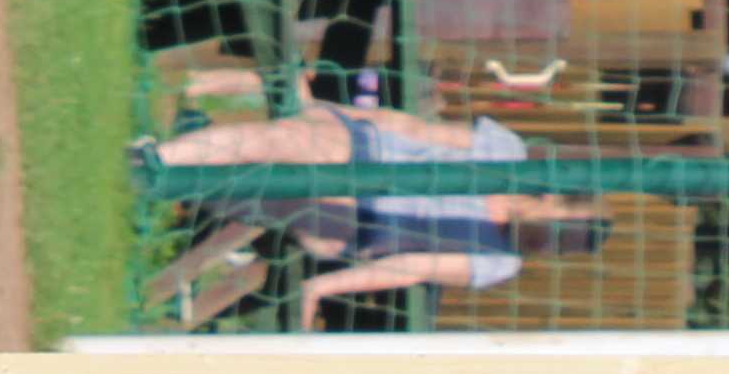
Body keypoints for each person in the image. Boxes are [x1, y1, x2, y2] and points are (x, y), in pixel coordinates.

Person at [148, 98, 608, 311]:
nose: (548, 243)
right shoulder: (503, 151)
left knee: (278, 200)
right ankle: (157, 160)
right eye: (558, 230)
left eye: (559, 246)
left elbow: (408, 268)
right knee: (288, 140)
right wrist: (335, 111)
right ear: (553, 198)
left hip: (356, 224)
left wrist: (321, 288)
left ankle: (169, 247)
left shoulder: (498, 262)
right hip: (366, 153)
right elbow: (410, 128)